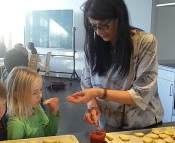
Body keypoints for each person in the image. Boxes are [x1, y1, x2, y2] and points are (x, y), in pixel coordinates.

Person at [66, 0, 163, 131]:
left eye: (104, 25)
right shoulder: (93, 46)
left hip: (142, 125)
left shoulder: (144, 43)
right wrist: (92, 106)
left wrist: (99, 92)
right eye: (94, 27)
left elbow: (140, 94)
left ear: (119, 17)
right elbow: (87, 83)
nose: (99, 32)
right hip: (108, 124)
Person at [6, 66, 60, 139]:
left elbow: (49, 134)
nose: (40, 96)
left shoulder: (37, 108)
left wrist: (53, 113)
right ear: (18, 95)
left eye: (40, 90)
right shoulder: (16, 124)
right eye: (34, 93)